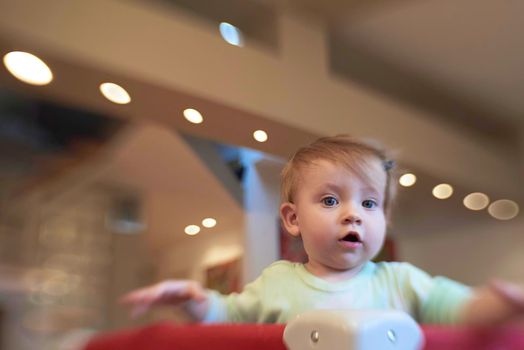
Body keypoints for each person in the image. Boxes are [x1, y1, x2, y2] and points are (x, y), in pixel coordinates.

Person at [121, 135, 524, 325]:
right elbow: (228, 318)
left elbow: (462, 310)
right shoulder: (276, 283)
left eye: (369, 204)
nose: (354, 216)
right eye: (331, 201)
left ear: (384, 219)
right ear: (293, 219)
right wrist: (194, 300)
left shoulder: (401, 282)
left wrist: (503, 303)